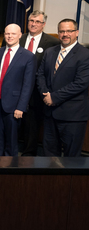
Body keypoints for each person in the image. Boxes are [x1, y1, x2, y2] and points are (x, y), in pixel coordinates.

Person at [36, 19, 89, 157]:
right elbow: (40, 75)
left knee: (71, 159)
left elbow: (80, 83)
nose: (65, 34)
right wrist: (45, 95)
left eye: (69, 31)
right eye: (61, 31)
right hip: (50, 113)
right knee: (49, 156)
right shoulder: (50, 52)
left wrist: (54, 97)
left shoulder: (85, 54)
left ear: (76, 33)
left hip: (72, 116)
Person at [0, 24, 36, 156]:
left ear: (20, 35)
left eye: (13, 34)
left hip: (14, 105)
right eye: (7, 34)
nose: (9, 36)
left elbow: (28, 85)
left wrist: (21, 107)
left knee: (11, 140)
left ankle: (10, 168)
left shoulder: (28, 56)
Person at [19, 10, 60, 156]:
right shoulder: (19, 38)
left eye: (37, 22)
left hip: (37, 90)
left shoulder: (53, 43)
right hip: (17, 88)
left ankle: (29, 153)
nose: (33, 24)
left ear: (43, 24)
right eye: (31, 20)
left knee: (32, 122)